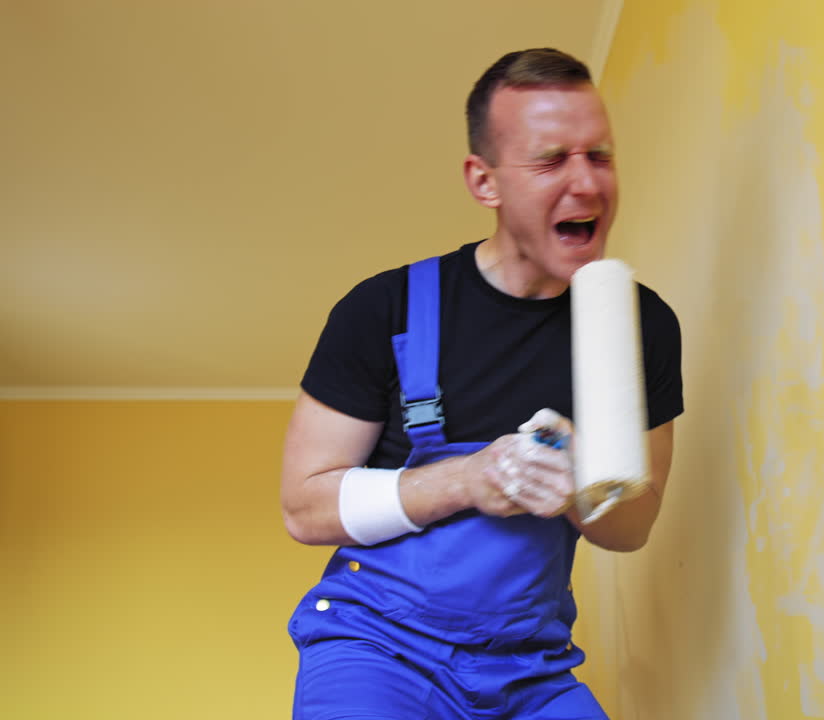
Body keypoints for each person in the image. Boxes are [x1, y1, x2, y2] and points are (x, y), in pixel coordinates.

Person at [279, 48, 683, 720]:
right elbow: (304, 508)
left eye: (600, 156)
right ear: (484, 181)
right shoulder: (385, 310)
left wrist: (585, 476)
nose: (586, 183)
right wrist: (469, 479)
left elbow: (632, 529)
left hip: (535, 667)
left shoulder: (643, 326)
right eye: (552, 160)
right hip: (380, 649)